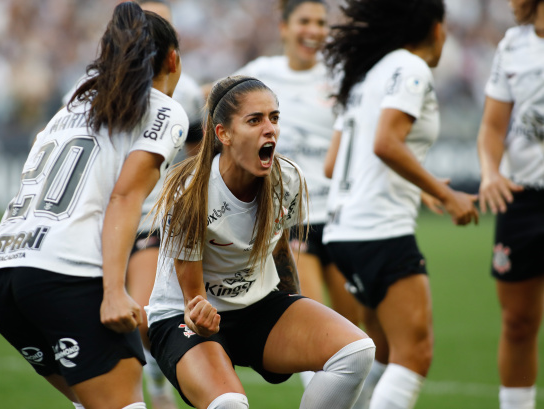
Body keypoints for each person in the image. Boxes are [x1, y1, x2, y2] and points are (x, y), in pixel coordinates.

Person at [0, 3, 188, 409]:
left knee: (89, 402)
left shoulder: (72, 105)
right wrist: (113, 291)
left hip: (0, 273)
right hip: (64, 274)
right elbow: (125, 197)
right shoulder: (164, 109)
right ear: (173, 59)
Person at [145, 75, 375, 409]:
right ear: (223, 133)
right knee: (229, 404)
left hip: (257, 306)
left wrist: (292, 302)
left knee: (356, 352)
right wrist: (200, 315)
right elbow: (193, 299)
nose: (270, 129)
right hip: (185, 315)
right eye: (255, 120)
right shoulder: (190, 195)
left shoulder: (288, 179)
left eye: (274, 118)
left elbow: (278, 245)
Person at [322, 1, 479, 408]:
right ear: (434, 27)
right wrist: (447, 195)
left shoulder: (365, 75)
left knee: (384, 352)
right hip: (380, 230)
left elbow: (331, 164)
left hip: (343, 232)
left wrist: (419, 187)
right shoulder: (410, 68)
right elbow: (387, 143)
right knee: (415, 355)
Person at [232, 1, 361, 387]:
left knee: (355, 330)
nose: (315, 30)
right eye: (305, 21)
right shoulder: (259, 75)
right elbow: (217, 103)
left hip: (340, 216)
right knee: (311, 320)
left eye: (322, 22)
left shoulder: (342, 77)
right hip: (293, 217)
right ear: (284, 27)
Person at [124, 2, 204, 409]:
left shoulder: (184, 92)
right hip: (100, 224)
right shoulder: (98, 87)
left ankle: (156, 384)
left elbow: (200, 151)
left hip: (149, 221)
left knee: (141, 313)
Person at [476, 1, 544, 408]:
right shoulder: (512, 46)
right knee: (518, 323)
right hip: (521, 199)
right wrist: (489, 171)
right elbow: (492, 127)